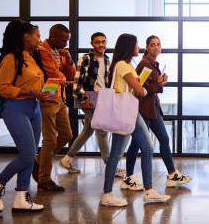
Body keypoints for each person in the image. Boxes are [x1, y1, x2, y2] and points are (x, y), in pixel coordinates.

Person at [101, 33, 170, 207]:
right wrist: (146, 88)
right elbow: (139, 90)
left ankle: (148, 191)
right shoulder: (123, 65)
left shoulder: (125, 64)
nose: (139, 47)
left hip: (129, 110)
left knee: (143, 148)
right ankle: (109, 193)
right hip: (126, 111)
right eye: (137, 44)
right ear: (129, 47)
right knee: (123, 152)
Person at [121, 35, 191, 190]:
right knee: (137, 144)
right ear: (147, 47)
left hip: (152, 108)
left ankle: (172, 174)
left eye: (158, 44)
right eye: (152, 44)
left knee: (162, 139)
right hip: (144, 109)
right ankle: (128, 177)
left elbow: (150, 87)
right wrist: (160, 84)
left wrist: (159, 83)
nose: (156, 47)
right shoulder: (145, 64)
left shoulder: (152, 63)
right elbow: (141, 89)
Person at [0, 20, 47, 212]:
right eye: (37, 35)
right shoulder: (11, 58)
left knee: (31, 155)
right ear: (25, 36)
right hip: (16, 109)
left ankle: (20, 198)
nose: (40, 39)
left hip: (34, 108)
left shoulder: (32, 57)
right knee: (28, 154)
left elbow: (34, 85)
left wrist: (46, 91)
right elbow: (1, 88)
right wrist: (30, 92)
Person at [59, 32, 125, 177]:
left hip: (102, 99)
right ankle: (110, 166)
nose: (101, 44)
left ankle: (66, 159)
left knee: (88, 131)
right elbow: (77, 82)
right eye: (97, 42)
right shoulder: (86, 59)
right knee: (101, 130)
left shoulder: (108, 60)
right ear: (92, 44)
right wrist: (83, 100)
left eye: (103, 41)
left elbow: (107, 83)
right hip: (87, 98)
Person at [32, 24, 76, 191]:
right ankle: (44, 179)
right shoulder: (43, 50)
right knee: (49, 139)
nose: (66, 43)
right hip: (46, 97)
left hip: (59, 97)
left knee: (66, 135)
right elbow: (53, 73)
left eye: (68, 40)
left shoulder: (62, 52)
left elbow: (69, 74)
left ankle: (39, 160)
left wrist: (69, 59)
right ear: (53, 36)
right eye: (63, 40)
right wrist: (62, 76)